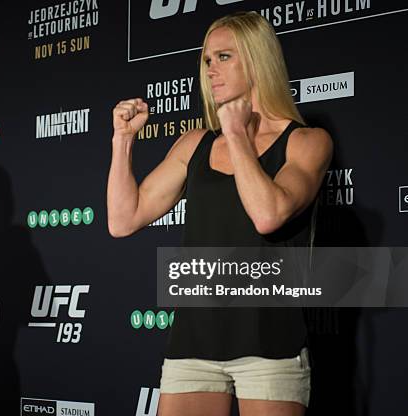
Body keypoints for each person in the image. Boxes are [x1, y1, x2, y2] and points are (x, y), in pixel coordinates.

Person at [107, 11, 332, 416]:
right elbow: (124, 220)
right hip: (193, 345)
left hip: (269, 346)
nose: (211, 70)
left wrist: (236, 134)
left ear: (258, 60)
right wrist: (123, 142)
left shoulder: (307, 142)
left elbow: (267, 215)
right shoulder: (193, 144)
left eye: (224, 57)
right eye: (207, 60)